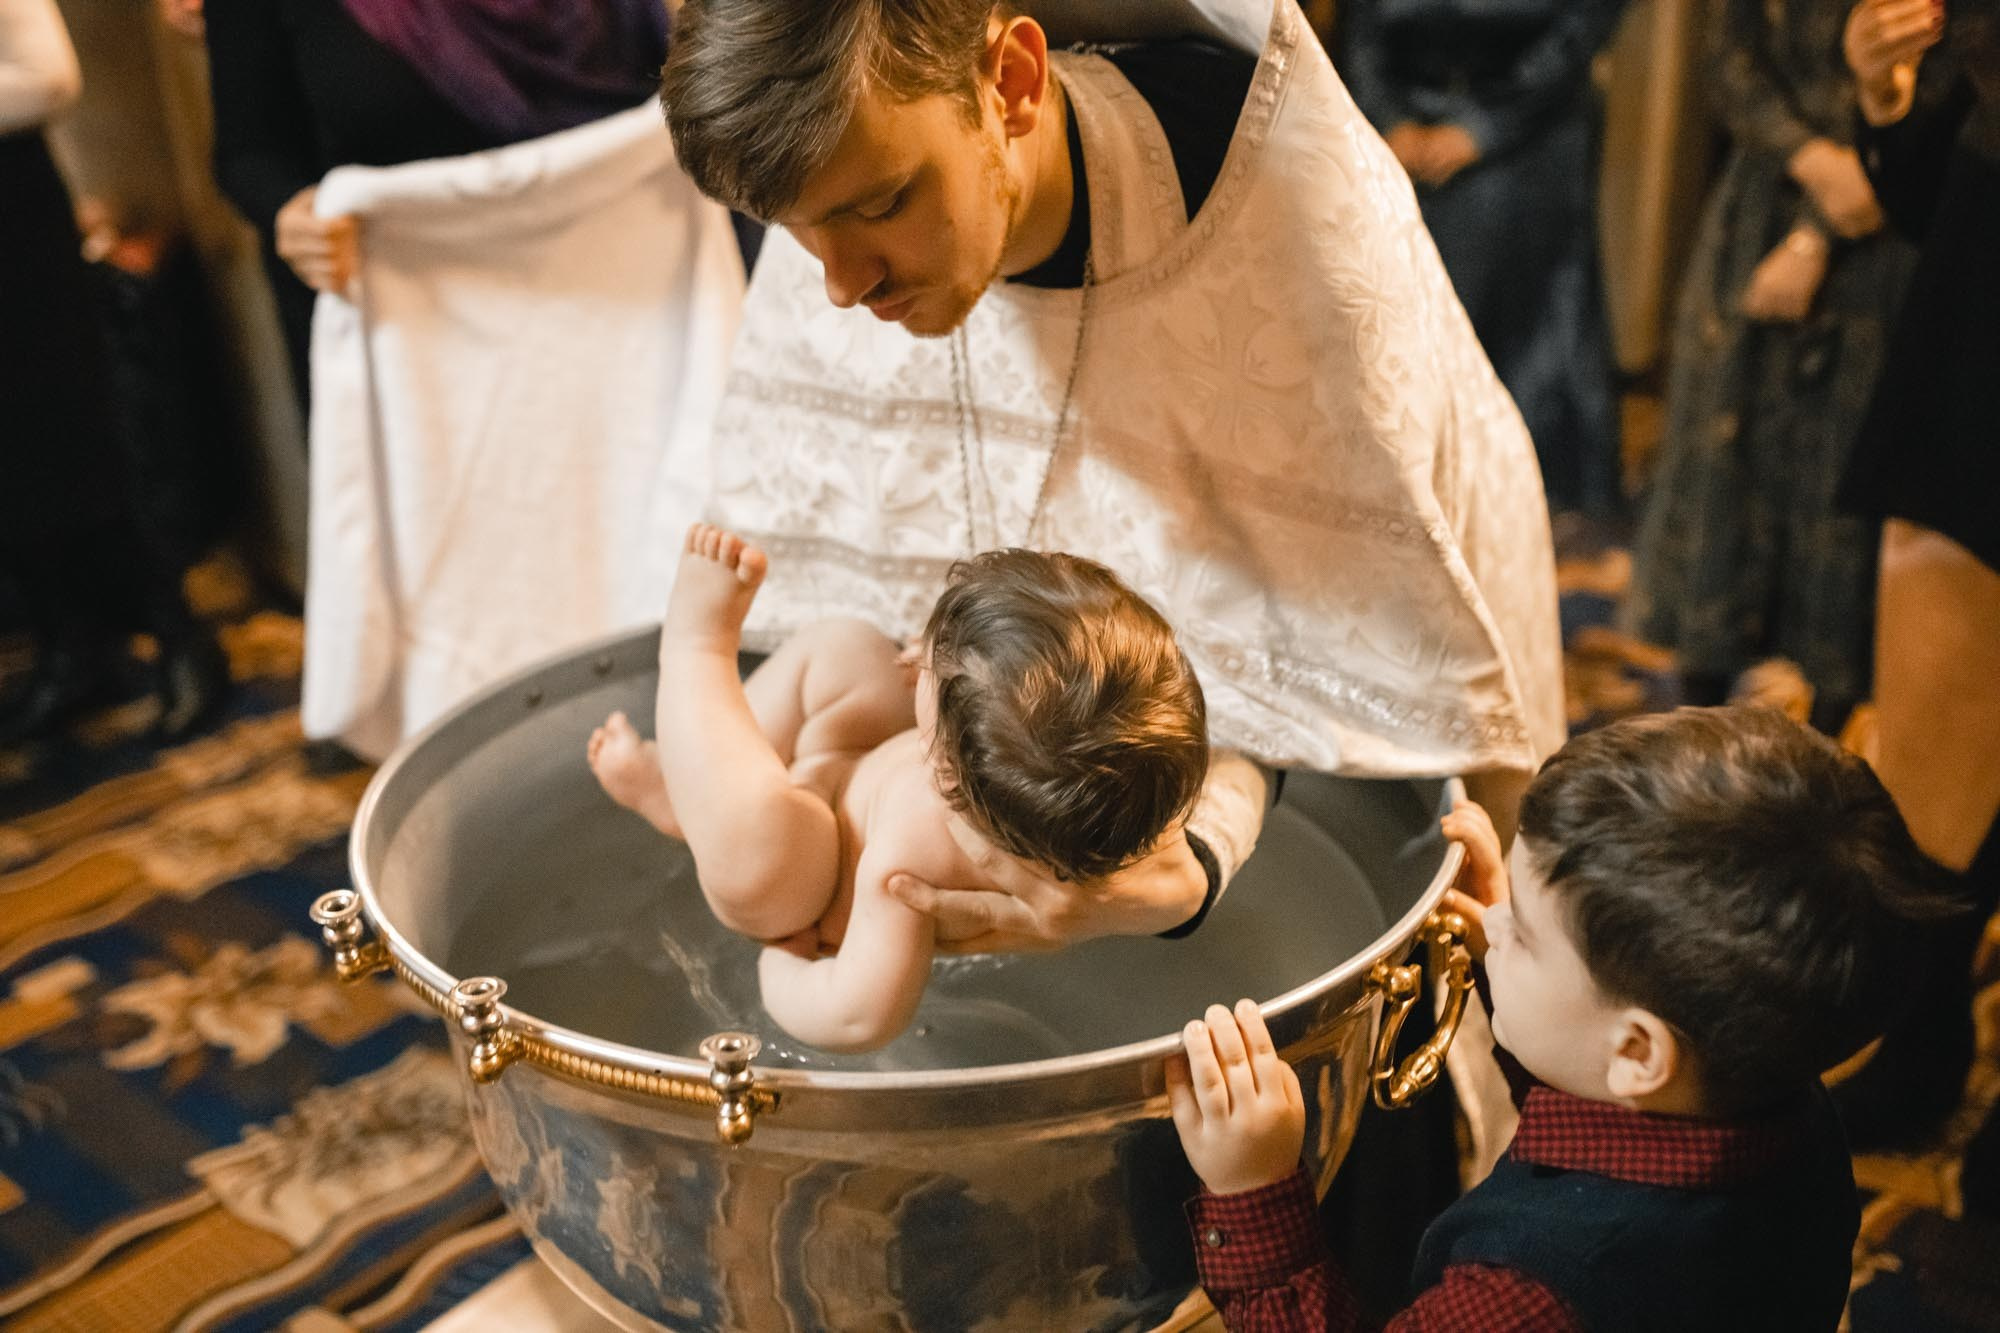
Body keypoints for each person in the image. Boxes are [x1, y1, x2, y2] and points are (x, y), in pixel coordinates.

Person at [658, 0, 1566, 956]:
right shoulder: (847, 163)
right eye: (797, 230)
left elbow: (1300, 647)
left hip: (1345, 770)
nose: (840, 287)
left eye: (881, 204)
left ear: (1008, 84)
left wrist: (1185, 869)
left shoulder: (1260, 210)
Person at [1167, 706, 1952, 1330]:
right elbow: (1600, 1093)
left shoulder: (1527, 1300)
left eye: (1528, 934)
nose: (1498, 923)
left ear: (1640, 1049)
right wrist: (1500, 953)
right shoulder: (1776, 1100)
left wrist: (1257, 1192)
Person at [587, 525, 1210, 1052]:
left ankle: (696, 655)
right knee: (848, 651)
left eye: (930, 670)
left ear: (939, 768)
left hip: (813, 877)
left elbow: (859, 1016)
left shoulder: (911, 867)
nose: (918, 654)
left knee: (764, 856)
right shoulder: (1120, 796)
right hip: (849, 768)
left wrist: (782, 967)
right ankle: (692, 783)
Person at [1627, 0, 1919, 734]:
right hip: (1760, 203)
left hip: (1889, 218)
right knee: (1724, 463)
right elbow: (1730, 62)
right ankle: (1694, 725)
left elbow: (1942, 87)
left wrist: (1819, 234)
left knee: (1838, 487)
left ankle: (1816, 748)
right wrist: (1812, 162)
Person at [1826, 0, 2000, 1193]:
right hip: (1973, 376)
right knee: (1931, 772)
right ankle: (1925, 1038)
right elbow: (1940, 193)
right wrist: (1883, 97)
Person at [203, 0, 674, 413]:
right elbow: (249, 153)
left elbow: (669, 80)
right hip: (421, 374)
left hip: (633, 330)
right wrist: (290, 212)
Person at [1, 0, 228, 746]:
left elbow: (51, 80)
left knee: (78, 427)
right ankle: (71, 648)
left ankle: (179, 634)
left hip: (12, 212)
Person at [1338, 0, 1632, 520]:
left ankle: (1517, 503)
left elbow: (1580, 27)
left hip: (1530, 126)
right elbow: (1359, 28)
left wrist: (1482, 128)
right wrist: (1388, 118)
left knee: (1505, 265)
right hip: (1396, 120)